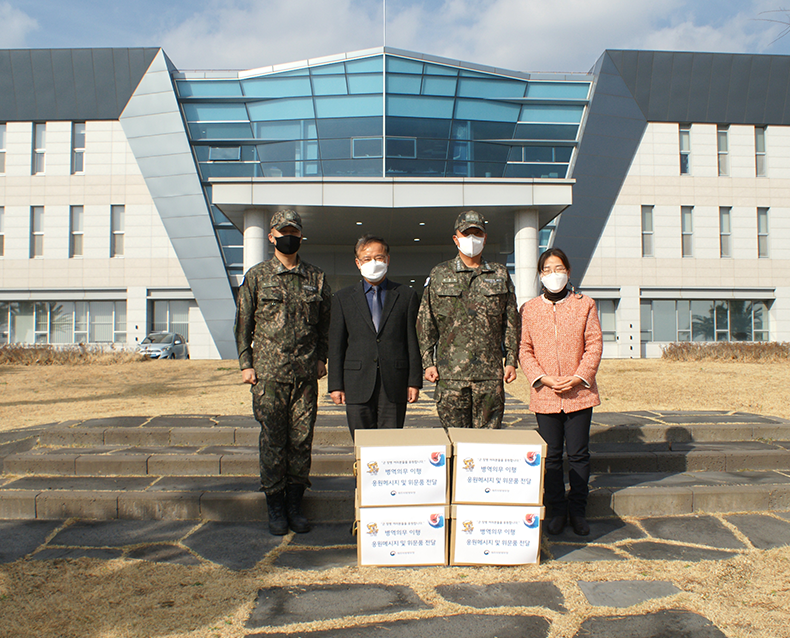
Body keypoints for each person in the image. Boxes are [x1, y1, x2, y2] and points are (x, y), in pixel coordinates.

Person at [234, 209, 331, 536]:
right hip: (268, 376)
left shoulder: (316, 278)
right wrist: (246, 363)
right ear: (271, 236)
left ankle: (295, 504)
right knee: (274, 441)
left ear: (301, 236)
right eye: (282, 231)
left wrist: (322, 357)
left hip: (305, 377)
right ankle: (275, 506)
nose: (287, 236)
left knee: (302, 441)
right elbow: (243, 324)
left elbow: (326, 325)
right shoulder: (257, 276)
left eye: (294, 231)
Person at [518, 247, 602, 536]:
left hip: (579, 393)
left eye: (559, 269)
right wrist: (542, 378)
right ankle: (556, 510)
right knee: (551, 455)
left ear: (568, 271)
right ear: (540, 275)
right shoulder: (529, 309)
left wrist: (579, 377)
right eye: (548, 270)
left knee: (578, 454)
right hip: (546, 393)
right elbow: (524, 349)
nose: (554, 275)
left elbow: (594, 344)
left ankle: (578, 511)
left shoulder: (585, 304)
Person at [417, 210, 519, 429]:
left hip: (489, 377)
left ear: (485, 238)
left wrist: (511, 359)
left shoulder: (499, 274)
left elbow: (510, 320)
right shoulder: (439, 274)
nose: (472, 239)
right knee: (454, 441)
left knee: (486, 445)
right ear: (456, 239)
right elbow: (426, 322)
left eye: (477, 234)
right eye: (466, 234)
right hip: (451, 376)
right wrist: (427, 363)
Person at [328, 235, 422, 432]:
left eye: (379, 258)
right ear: (358, 263)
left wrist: (414, 381)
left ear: (387, 260)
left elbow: (412, 341)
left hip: (394, 383)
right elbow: (336, 345)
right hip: (356, 383)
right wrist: (335, 385)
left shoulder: (406, 295)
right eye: (367, 258)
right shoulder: (343, 298)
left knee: (390, 445)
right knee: (362, 444)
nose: (373, 263)